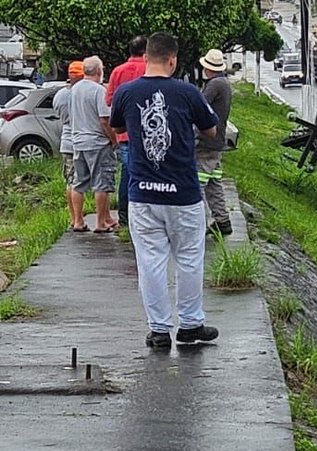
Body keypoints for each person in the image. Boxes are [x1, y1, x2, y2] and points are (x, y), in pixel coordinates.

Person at [109, 31, 220, 349]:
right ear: (172, 60)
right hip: (183, 193)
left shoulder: (127, 92)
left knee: (150, 261)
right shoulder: (187, 92)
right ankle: (190, 325)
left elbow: (117, 126)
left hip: (142, 193)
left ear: (145, 57)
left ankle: (159, 331)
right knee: (188, 259)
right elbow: (210, 129)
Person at [71, 56, 118, 233]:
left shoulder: (75, 89)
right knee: (102, 183)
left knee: (79, 183)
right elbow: (104, 119)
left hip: (78, 142)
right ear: (99, 71)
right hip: (97, 142)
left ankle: (78, 221)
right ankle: (100, 223)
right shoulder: (98, 91)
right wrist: (114, 140)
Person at [106, 35, 147, 228]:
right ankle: (144, 217)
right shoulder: (149, 69)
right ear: (146, 52)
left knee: (127, 173)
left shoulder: (117, 72)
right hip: (149, 134)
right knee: (148, 173)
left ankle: (124, 216)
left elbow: (108, 100)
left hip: (124, 133)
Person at [197, 48, 233, 237]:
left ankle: (198, 224)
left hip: (206, 141)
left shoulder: (214, 85)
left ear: (207, 68)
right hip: (218, 141)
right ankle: (222, 220)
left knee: (198, 183)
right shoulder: (224, 83)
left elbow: (199, 106)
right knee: (213, 182)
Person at [53, 61, 87, 231]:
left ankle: (73, 218)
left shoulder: (59, 95)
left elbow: (58, 115)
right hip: (82, 141)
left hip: (66, 142)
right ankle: (80, 220)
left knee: (70, 181)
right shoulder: (82, 94)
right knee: (81, 183)